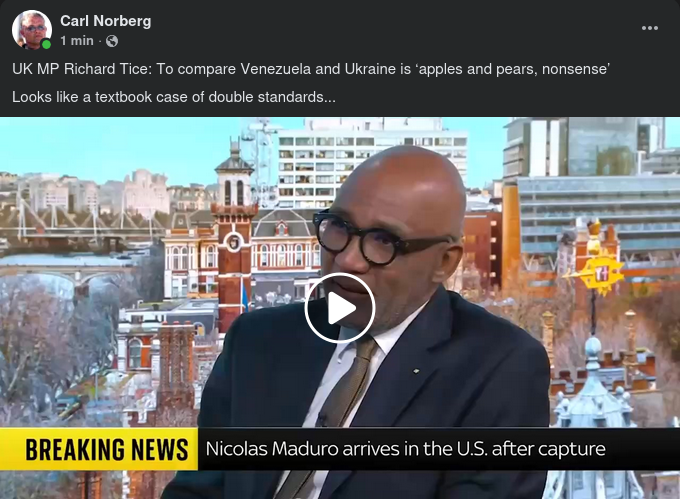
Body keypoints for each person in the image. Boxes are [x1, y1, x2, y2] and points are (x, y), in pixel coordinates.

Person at [162, 145, 551, 499]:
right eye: (339, 227)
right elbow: (198, 491)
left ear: (444, 263)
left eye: (383, 241)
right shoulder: (257, 340)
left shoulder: (500, 370)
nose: (347, 260)